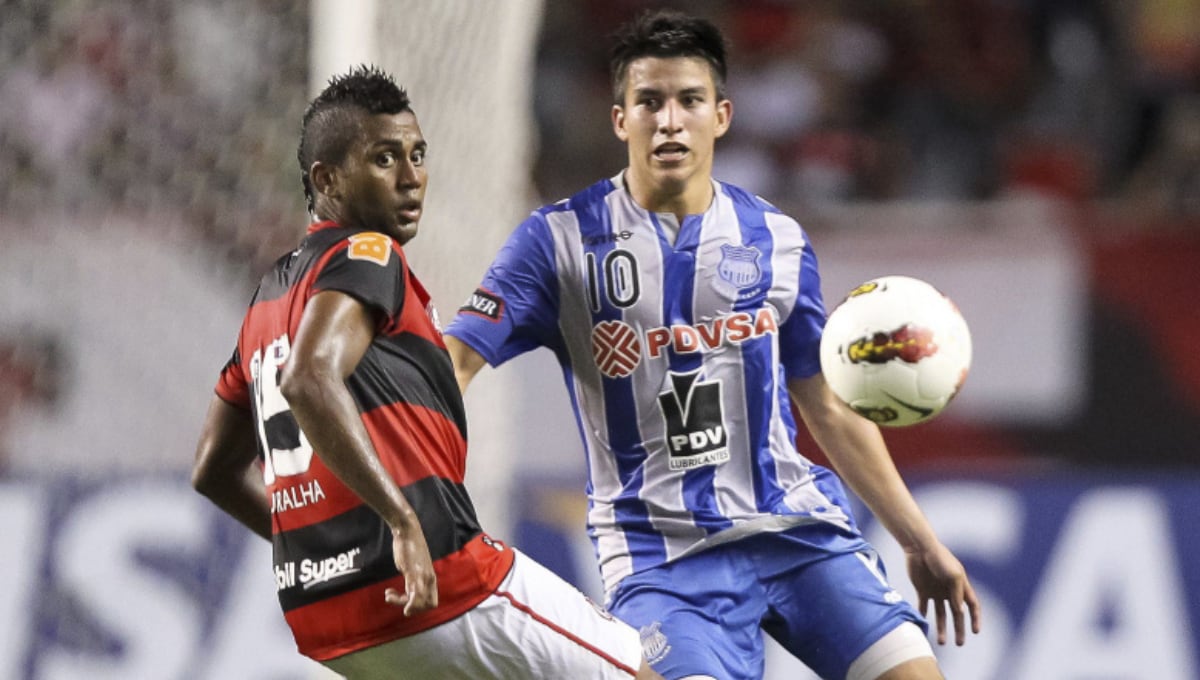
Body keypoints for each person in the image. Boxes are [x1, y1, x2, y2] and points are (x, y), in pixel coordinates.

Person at [444, 10, 981, 680]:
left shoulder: (777, 239)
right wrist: (404, 482)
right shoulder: (556, 242)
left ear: (721, 116)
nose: (670, 121)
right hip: (663, 562)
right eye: (649, 102)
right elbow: (454, 363)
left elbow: (826, 402)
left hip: (798, 532)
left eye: (689, 100)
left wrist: (918, 540)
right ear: (620, 120)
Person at [190, 65, 660, 680]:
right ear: (326, 179)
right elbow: (308, 378)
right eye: (384, 159)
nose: (411, 177)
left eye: (417, 155)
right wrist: (401, 522)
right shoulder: (366, 252)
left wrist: (312, 558)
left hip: (327, 618)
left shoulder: (266, 303)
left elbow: (212, 469)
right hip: (438, 582)